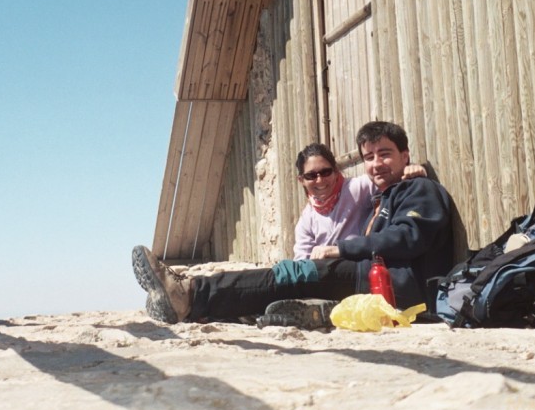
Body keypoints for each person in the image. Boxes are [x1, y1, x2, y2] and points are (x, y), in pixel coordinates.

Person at [133, 121, 454, 324]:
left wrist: (341, 248)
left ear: (405, 156)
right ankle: (199, 304)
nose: (376, 164)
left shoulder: (418, 189)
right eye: (368, 157)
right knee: (292, 276)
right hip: (372, 280)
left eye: (385, 154)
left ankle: (190, 294)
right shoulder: (381, 197)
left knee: (297, 273)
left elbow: (410, 237)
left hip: (395, 289)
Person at [292, 143, 426, 259]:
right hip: (328, 277)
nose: (320, 180)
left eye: (326, 172)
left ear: (336, 171)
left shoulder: (356, 189)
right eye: (311, 176)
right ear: (301, 180)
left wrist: (409, 169)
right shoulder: (306, 221)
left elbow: (389, 178)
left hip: (361, 266)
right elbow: (302, 261)